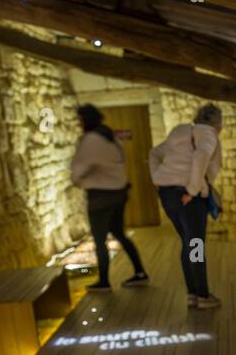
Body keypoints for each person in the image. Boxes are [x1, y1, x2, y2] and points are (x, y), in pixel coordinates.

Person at [149, 103, 224, 309]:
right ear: (218, 123)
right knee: (196, 245)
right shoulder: (208, 133)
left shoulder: (180, 131)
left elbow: (154, 153)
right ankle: (202, 295)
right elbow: (201, 157)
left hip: (167, 193)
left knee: (188, 243)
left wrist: (157, 177)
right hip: (188, 197)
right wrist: (192, 190)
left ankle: (193, 293)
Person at [70, 104, 149, 292]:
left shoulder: (91, 140)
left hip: (100, 197)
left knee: (99, 240)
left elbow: (78, 171)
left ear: (85, 120)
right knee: (119, 233)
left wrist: (79, 180)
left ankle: (104, 281)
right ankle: (140, 273)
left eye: (80, 120)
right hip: (118, 193)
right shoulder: (111, 137)